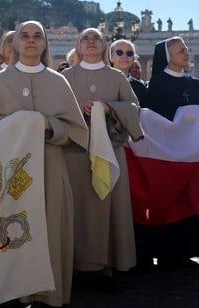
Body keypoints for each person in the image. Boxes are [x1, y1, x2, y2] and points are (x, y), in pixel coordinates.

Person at [0, 21, 88, 307]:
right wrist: (14, 124)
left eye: (38, 36)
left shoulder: (58, 81)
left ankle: (49, 293)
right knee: (8, 228)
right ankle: (10, 291)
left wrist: (48, 125)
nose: (31, 41)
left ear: (45, 44)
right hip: (8, 171)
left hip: (50, 164)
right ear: (14, 45)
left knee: (50, 227)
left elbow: (77, 129)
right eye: (24, 36)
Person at [63, 29, 141, 288]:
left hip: (111, 148)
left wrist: (108, 107)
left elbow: (133, 109)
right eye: (85, 38)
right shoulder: (65, 77)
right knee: (77, 206)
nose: (91, 42)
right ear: (78, 45)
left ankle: (108, 263)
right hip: (75, 150)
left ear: (104, 45)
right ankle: (73, 263)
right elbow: (57, 110)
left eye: (97, 38)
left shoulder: (116, 77)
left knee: (109, 204)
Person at [136, 37, 199, 269]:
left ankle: (188, 251)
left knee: (193, 199)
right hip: (171, 154)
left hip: (195, 153)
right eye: (181, 50)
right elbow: (156, 119)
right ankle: (168, 253)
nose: (186, 53)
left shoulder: (194, 83)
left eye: (186, 50)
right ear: (167, 56)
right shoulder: (158, 84)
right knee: (173, 201)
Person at [109, 39, 147, 107]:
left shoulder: (140, 87)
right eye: (119, 52)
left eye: (129, 53)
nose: (124, 56)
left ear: (133, 58)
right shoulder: (101, 82)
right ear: (111, 57)